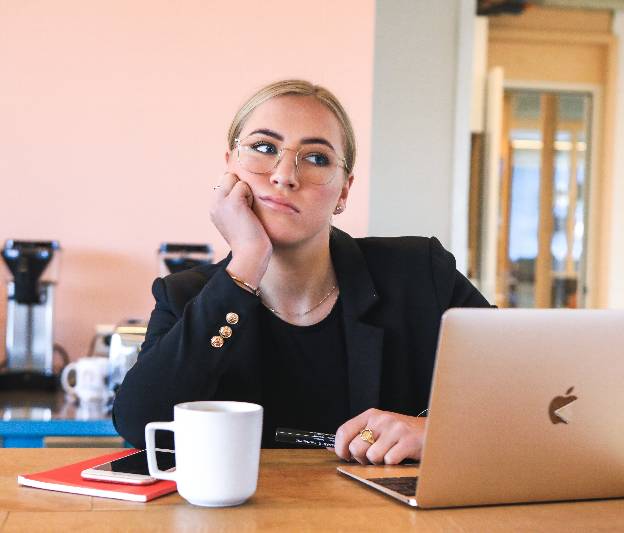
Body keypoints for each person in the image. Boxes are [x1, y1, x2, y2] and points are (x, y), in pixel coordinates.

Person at [112, 79, 492, 466]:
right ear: (229, 167)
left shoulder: (420, 273)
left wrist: (437, 432)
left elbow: (530, 392)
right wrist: (246, 262)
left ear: (344, 190)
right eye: (264, 148)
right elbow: (140, 423)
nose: (284, 175)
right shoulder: (184, 296)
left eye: (316, 158)